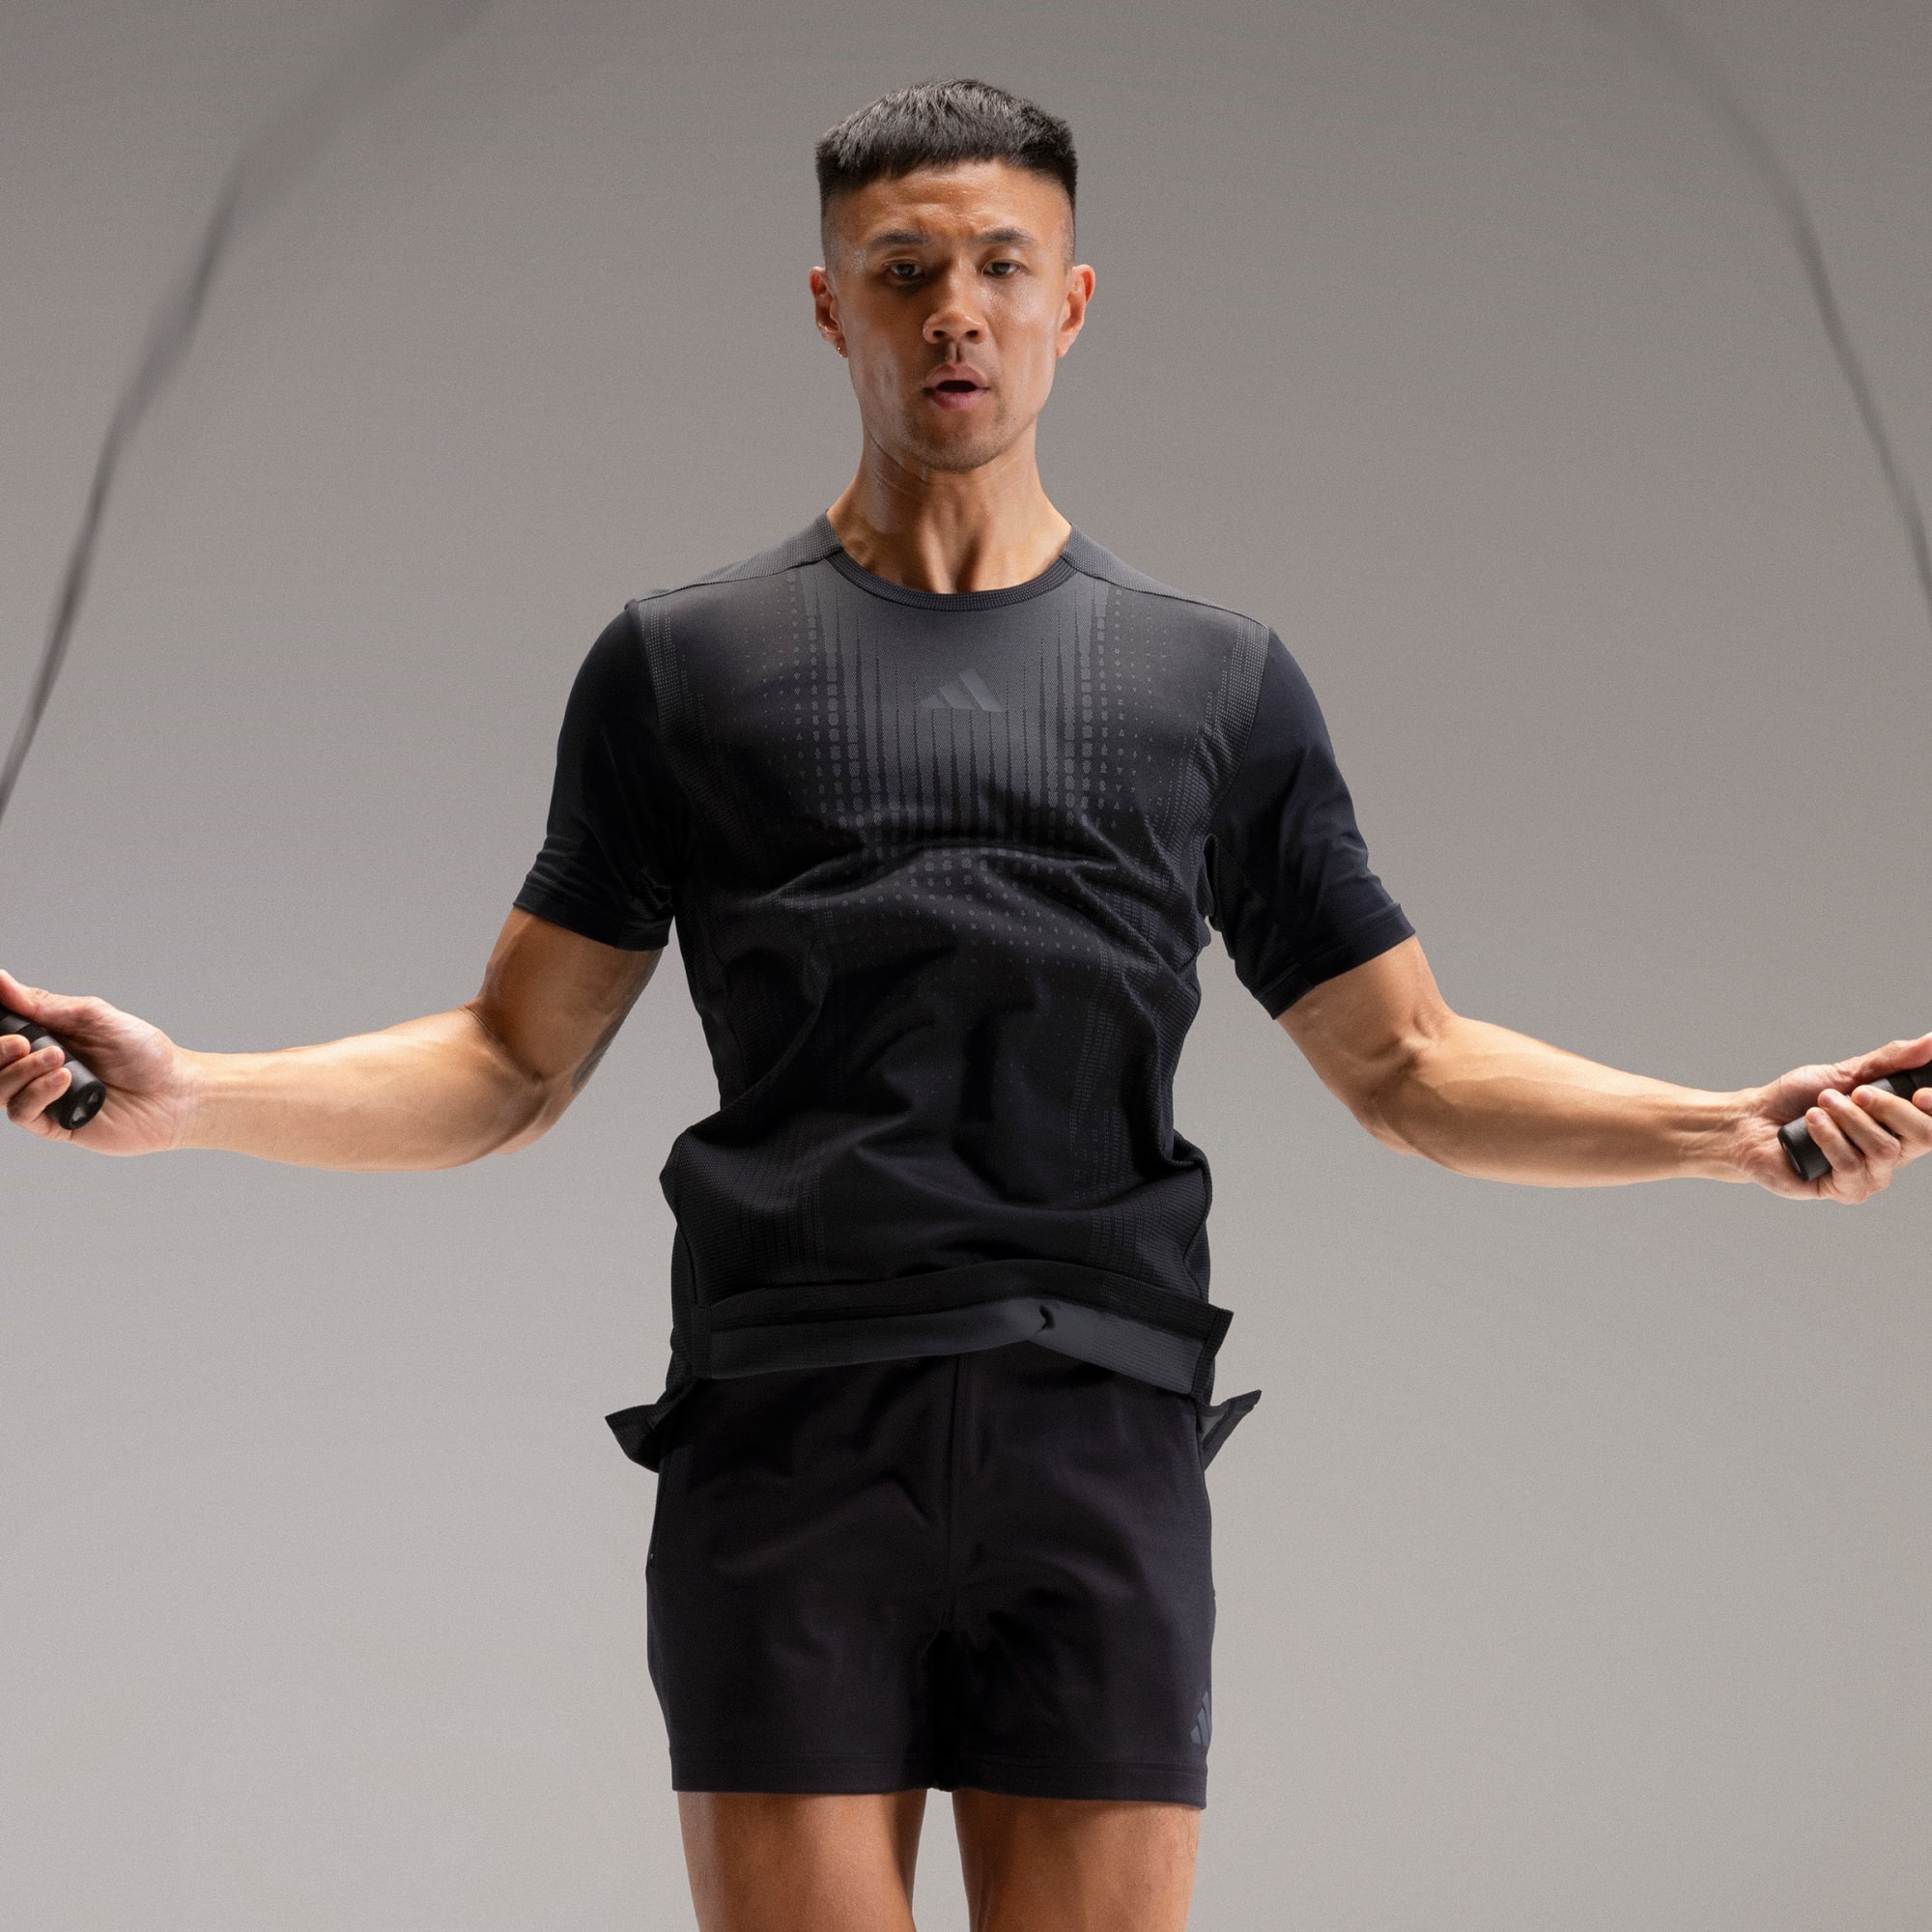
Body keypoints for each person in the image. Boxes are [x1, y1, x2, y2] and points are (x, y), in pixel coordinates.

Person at [3, 76, 1926, 1932]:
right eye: (905, 269)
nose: (956, 311)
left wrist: (1731, 1132)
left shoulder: (1210, 680)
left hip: (1098, 1434)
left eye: (1002, 267)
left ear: (1070, 304)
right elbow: (508, 1062)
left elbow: (1410, 1064)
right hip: (785, 1430)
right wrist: (191, 1096)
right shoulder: (685, 665)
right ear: (828, 304)